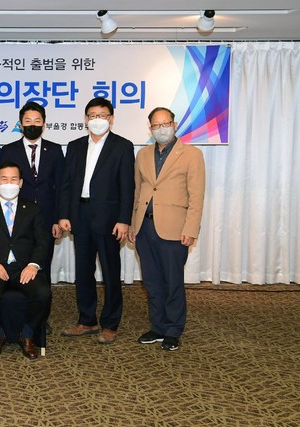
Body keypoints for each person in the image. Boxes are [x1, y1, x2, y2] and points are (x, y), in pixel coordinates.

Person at [58, 97, 135, 344]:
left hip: (109, 219)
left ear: (111, 119)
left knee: (111, 272)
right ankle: (87, 320)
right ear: (85, 119)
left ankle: (110, 324)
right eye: (92, 116)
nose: (97, 120)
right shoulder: (75, 146)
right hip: (79, 216)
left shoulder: (122, 146)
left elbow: (127, 187)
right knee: (83, 271)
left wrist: (124, 220)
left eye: (102, 116)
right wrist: (64, 214)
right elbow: (67, 184)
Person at [129, 107, 206, 351]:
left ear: (174, 125)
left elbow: (196, 196)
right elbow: (137, 191)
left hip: (174, 228)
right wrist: (133, 224)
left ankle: (173, 329)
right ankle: (158, 327)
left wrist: (191, 229)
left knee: (173, 282)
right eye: (156, 125)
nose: (161, 129)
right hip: (144, 227)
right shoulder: (142, 154)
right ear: (150, 128)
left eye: (166, 124)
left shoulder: (192, 154)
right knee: (151, 282)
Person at [0, 162, 51, 360]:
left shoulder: (33, 209)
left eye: (13, 179)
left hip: (24, 266)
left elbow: (42, 241)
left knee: (43, 293)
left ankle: (27, 334)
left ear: (21, 183)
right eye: (4, 179)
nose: (9, 183)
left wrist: (33, 265)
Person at [0, 102, 64, 335]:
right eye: (27, 121)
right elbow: (3, 185)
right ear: (20, 124)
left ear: (44, 124)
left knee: (41, 266)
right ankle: (15, 313)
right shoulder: (9, 150)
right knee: (17, 265)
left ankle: (40, 318)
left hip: (46, 219)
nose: (32, 125)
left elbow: (61, 187)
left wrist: (59, 218)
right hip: (17, 220)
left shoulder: (55, 150)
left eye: (37, 121)